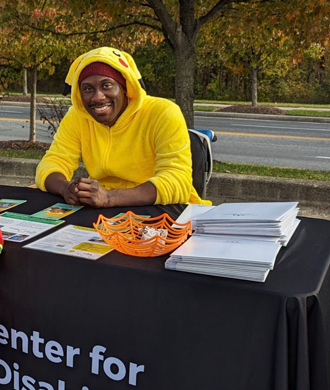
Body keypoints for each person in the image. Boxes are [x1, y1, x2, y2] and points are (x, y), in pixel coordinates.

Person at [35, 47, 211, 208]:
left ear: (125, 87)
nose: (97, 97)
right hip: (101, 210)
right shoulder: (77, 116)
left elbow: (178, 182)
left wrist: (110, 198)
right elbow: (52, 163)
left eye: (107, 85)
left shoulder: (163, 112)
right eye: (88, 89)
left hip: (163, 209)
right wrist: (65, 188)